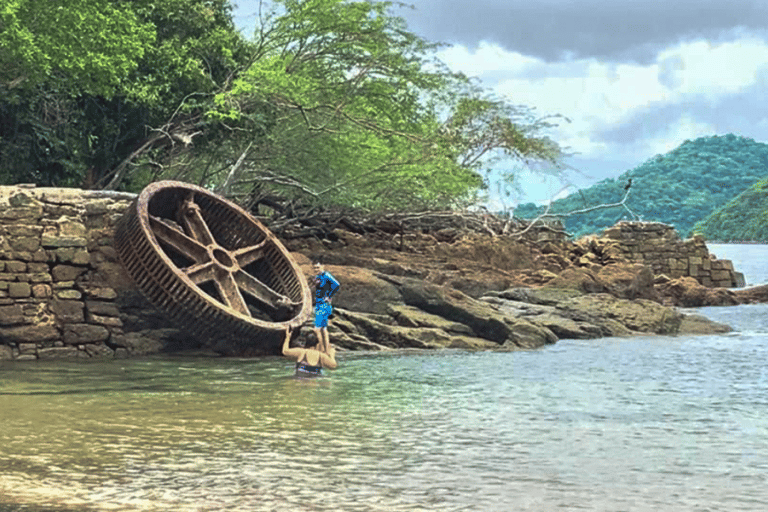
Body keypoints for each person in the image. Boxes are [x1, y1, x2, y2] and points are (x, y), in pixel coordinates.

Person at [312, 261, 340, 353]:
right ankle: (326, 350)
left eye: (318, 267)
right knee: (324, 329)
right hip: (319, 304)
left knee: (316, 329)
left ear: (322, 267)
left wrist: (329, 296)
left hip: (324, 304)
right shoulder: (318, 277)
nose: (316, 269)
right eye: (315, 268)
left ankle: (321, 349)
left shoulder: (327, 275)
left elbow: (336, 285)